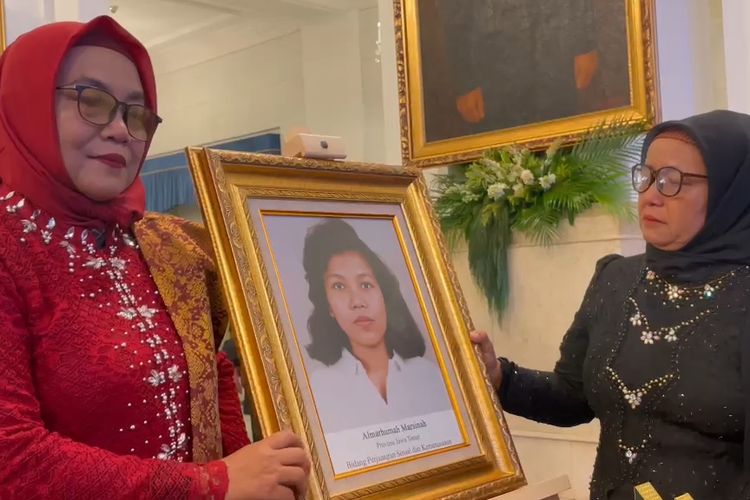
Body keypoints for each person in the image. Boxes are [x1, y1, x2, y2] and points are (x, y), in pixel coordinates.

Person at [0, 16, 309, 499]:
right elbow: (12, 458)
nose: (121, 130)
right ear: (26, 102)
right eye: (92, 100)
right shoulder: (9, 248)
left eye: (138, 114)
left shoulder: (167, 245)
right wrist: (213, 484)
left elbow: (214, 378)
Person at [472, 109, 750, 499]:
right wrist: (500, 377)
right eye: (646, 176)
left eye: (672, 181)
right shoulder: (616, 279)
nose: (651, 195)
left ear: (730, 193)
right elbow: (573, 397)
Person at [302, 219, 453, 434]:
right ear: (328, 306)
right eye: (339, 286)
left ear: (384, 294)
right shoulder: (319, 389)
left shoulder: (427, 374)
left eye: (365, 284)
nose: (357, 301)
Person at [433, 0, 599, 136]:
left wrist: (585, 43)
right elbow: (452, 9)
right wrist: (464, 81)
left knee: (559, 145)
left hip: (555, 45)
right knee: (502, 155)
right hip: (492, 59)